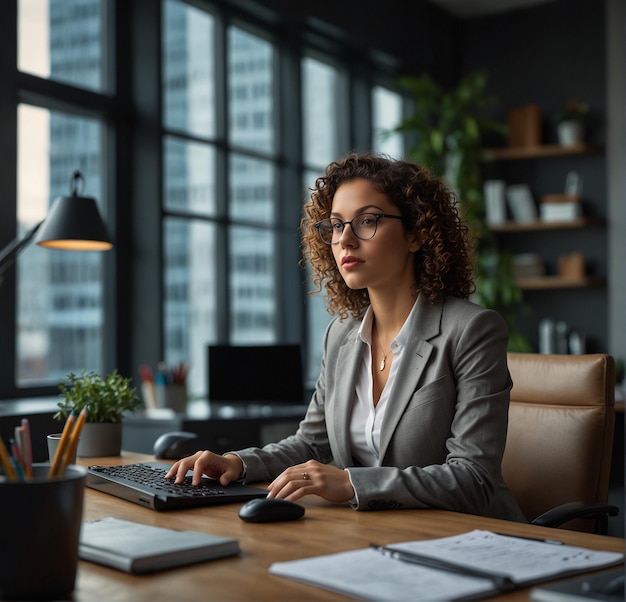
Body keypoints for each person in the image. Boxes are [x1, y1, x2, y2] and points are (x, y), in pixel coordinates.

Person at [166, 152, 526, 521]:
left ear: (417, 233)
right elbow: (311, 443)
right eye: (337, 226)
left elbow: (474, 479)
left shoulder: (472, 330)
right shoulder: (341, 335)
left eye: (367, 221)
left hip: (470, 539)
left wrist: (353, 484)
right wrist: (236, 464)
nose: (345, 240)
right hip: (376, 533)